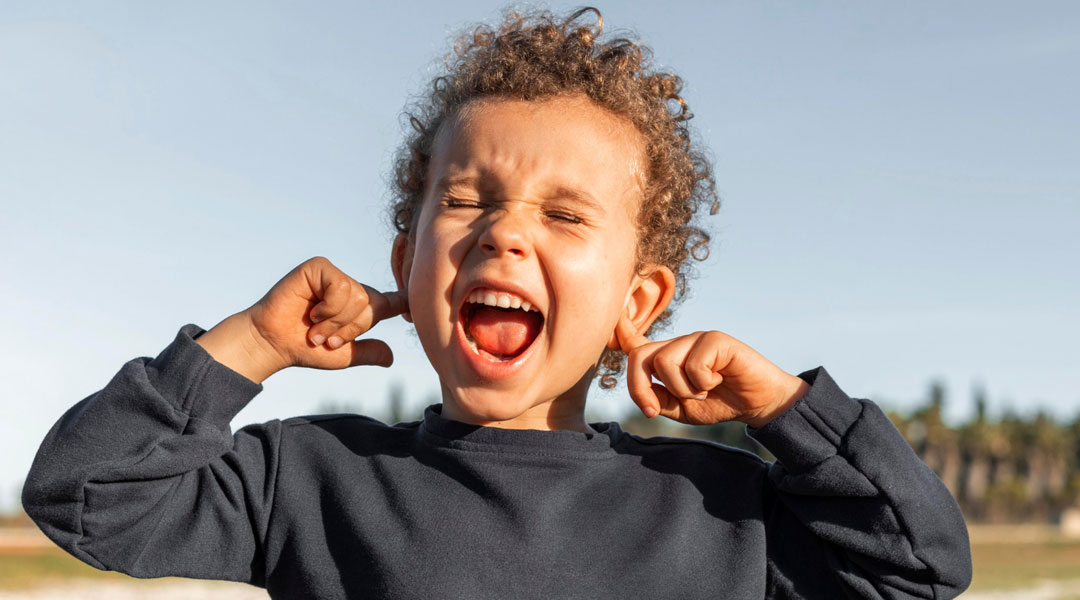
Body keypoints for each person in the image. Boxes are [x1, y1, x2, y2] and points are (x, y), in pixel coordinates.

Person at [22, 7, 972, 599]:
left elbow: (920, 563)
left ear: (637, 301)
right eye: (467, 201)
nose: (504, 234)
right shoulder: (309, 480)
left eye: (564, 214)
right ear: (409, 256)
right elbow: (86, 495)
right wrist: (251, 344)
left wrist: (787, 413)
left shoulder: (717, 511)